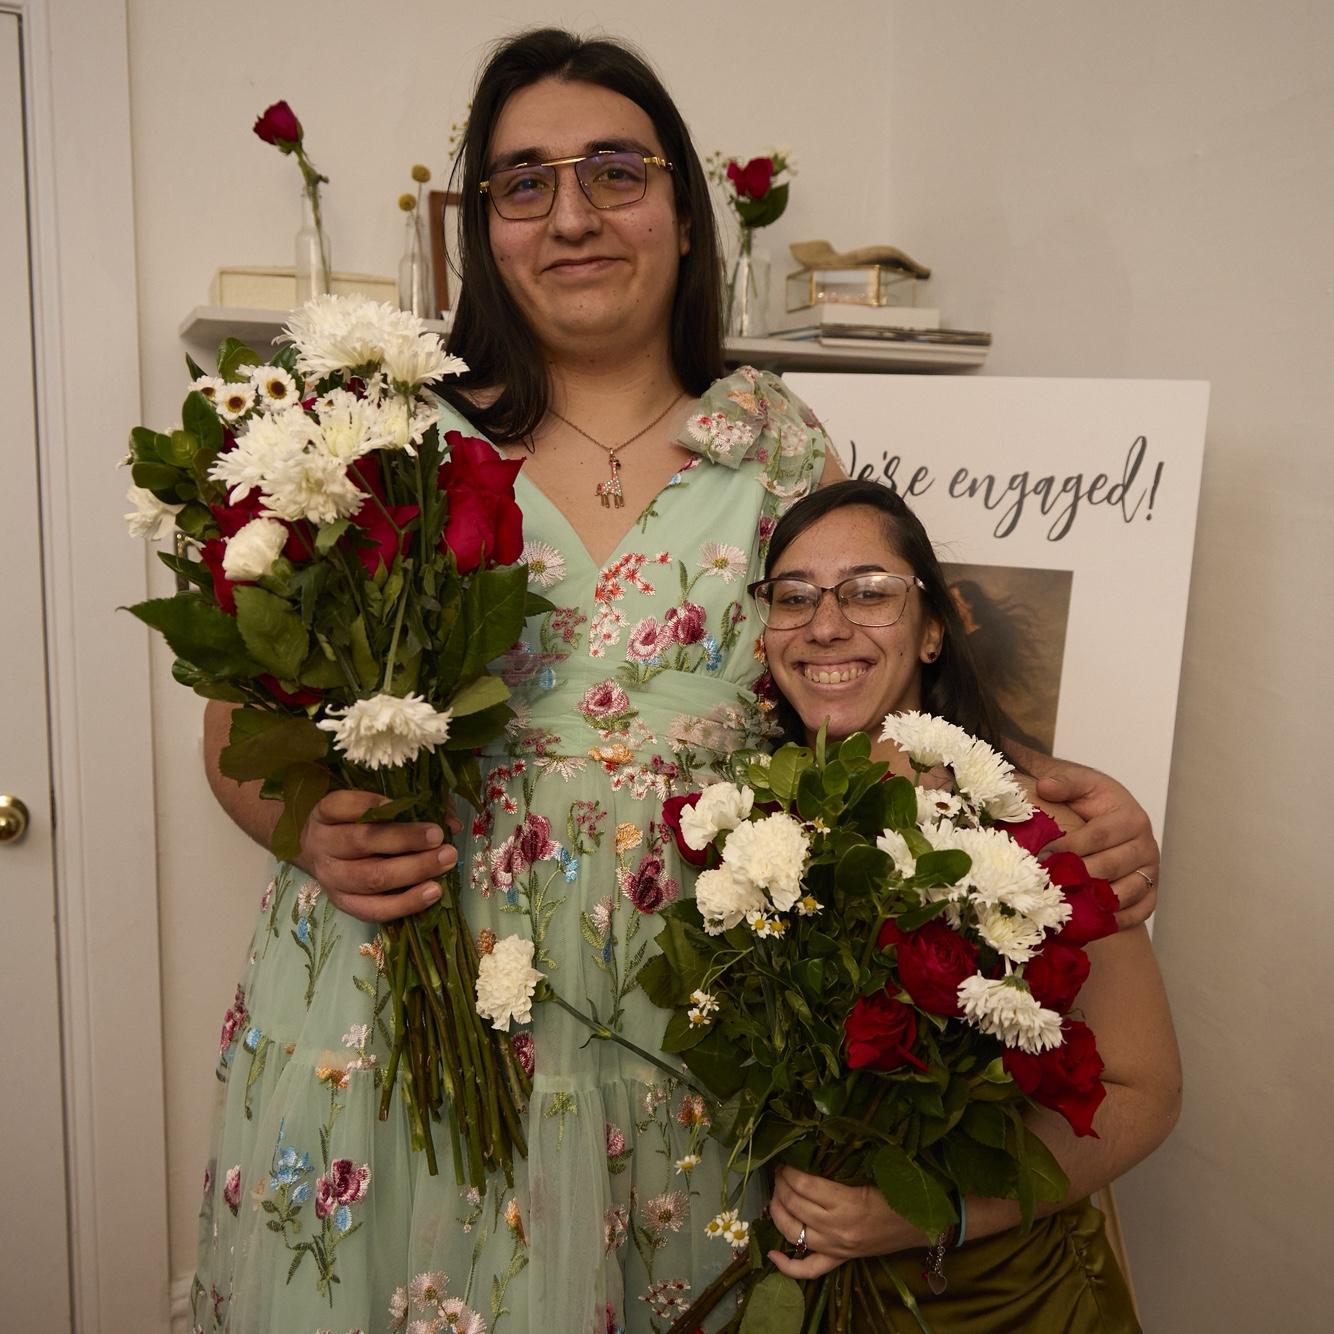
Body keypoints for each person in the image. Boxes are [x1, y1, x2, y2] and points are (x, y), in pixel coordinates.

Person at [194, 28, 1160, 1334]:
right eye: (524, 182)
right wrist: (305, 826)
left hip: (675, 1024)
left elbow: (872, 694)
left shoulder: (776, 444)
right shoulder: (388, 435)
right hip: (400, 1006)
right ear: (484, 229)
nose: (572, 216)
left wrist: (1060, 794)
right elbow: (238, 723)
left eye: (614, 171)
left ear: (685, 212)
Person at [749, 479, 1182, 1331]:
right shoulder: (746, 823)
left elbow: (1146, 1092)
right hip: (815, 1298)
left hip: (1006, 1301)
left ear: (933, 630)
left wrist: (928, 1212)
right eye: (794, 597)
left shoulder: (1040, 828)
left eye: (869, 592)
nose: (825, 624)